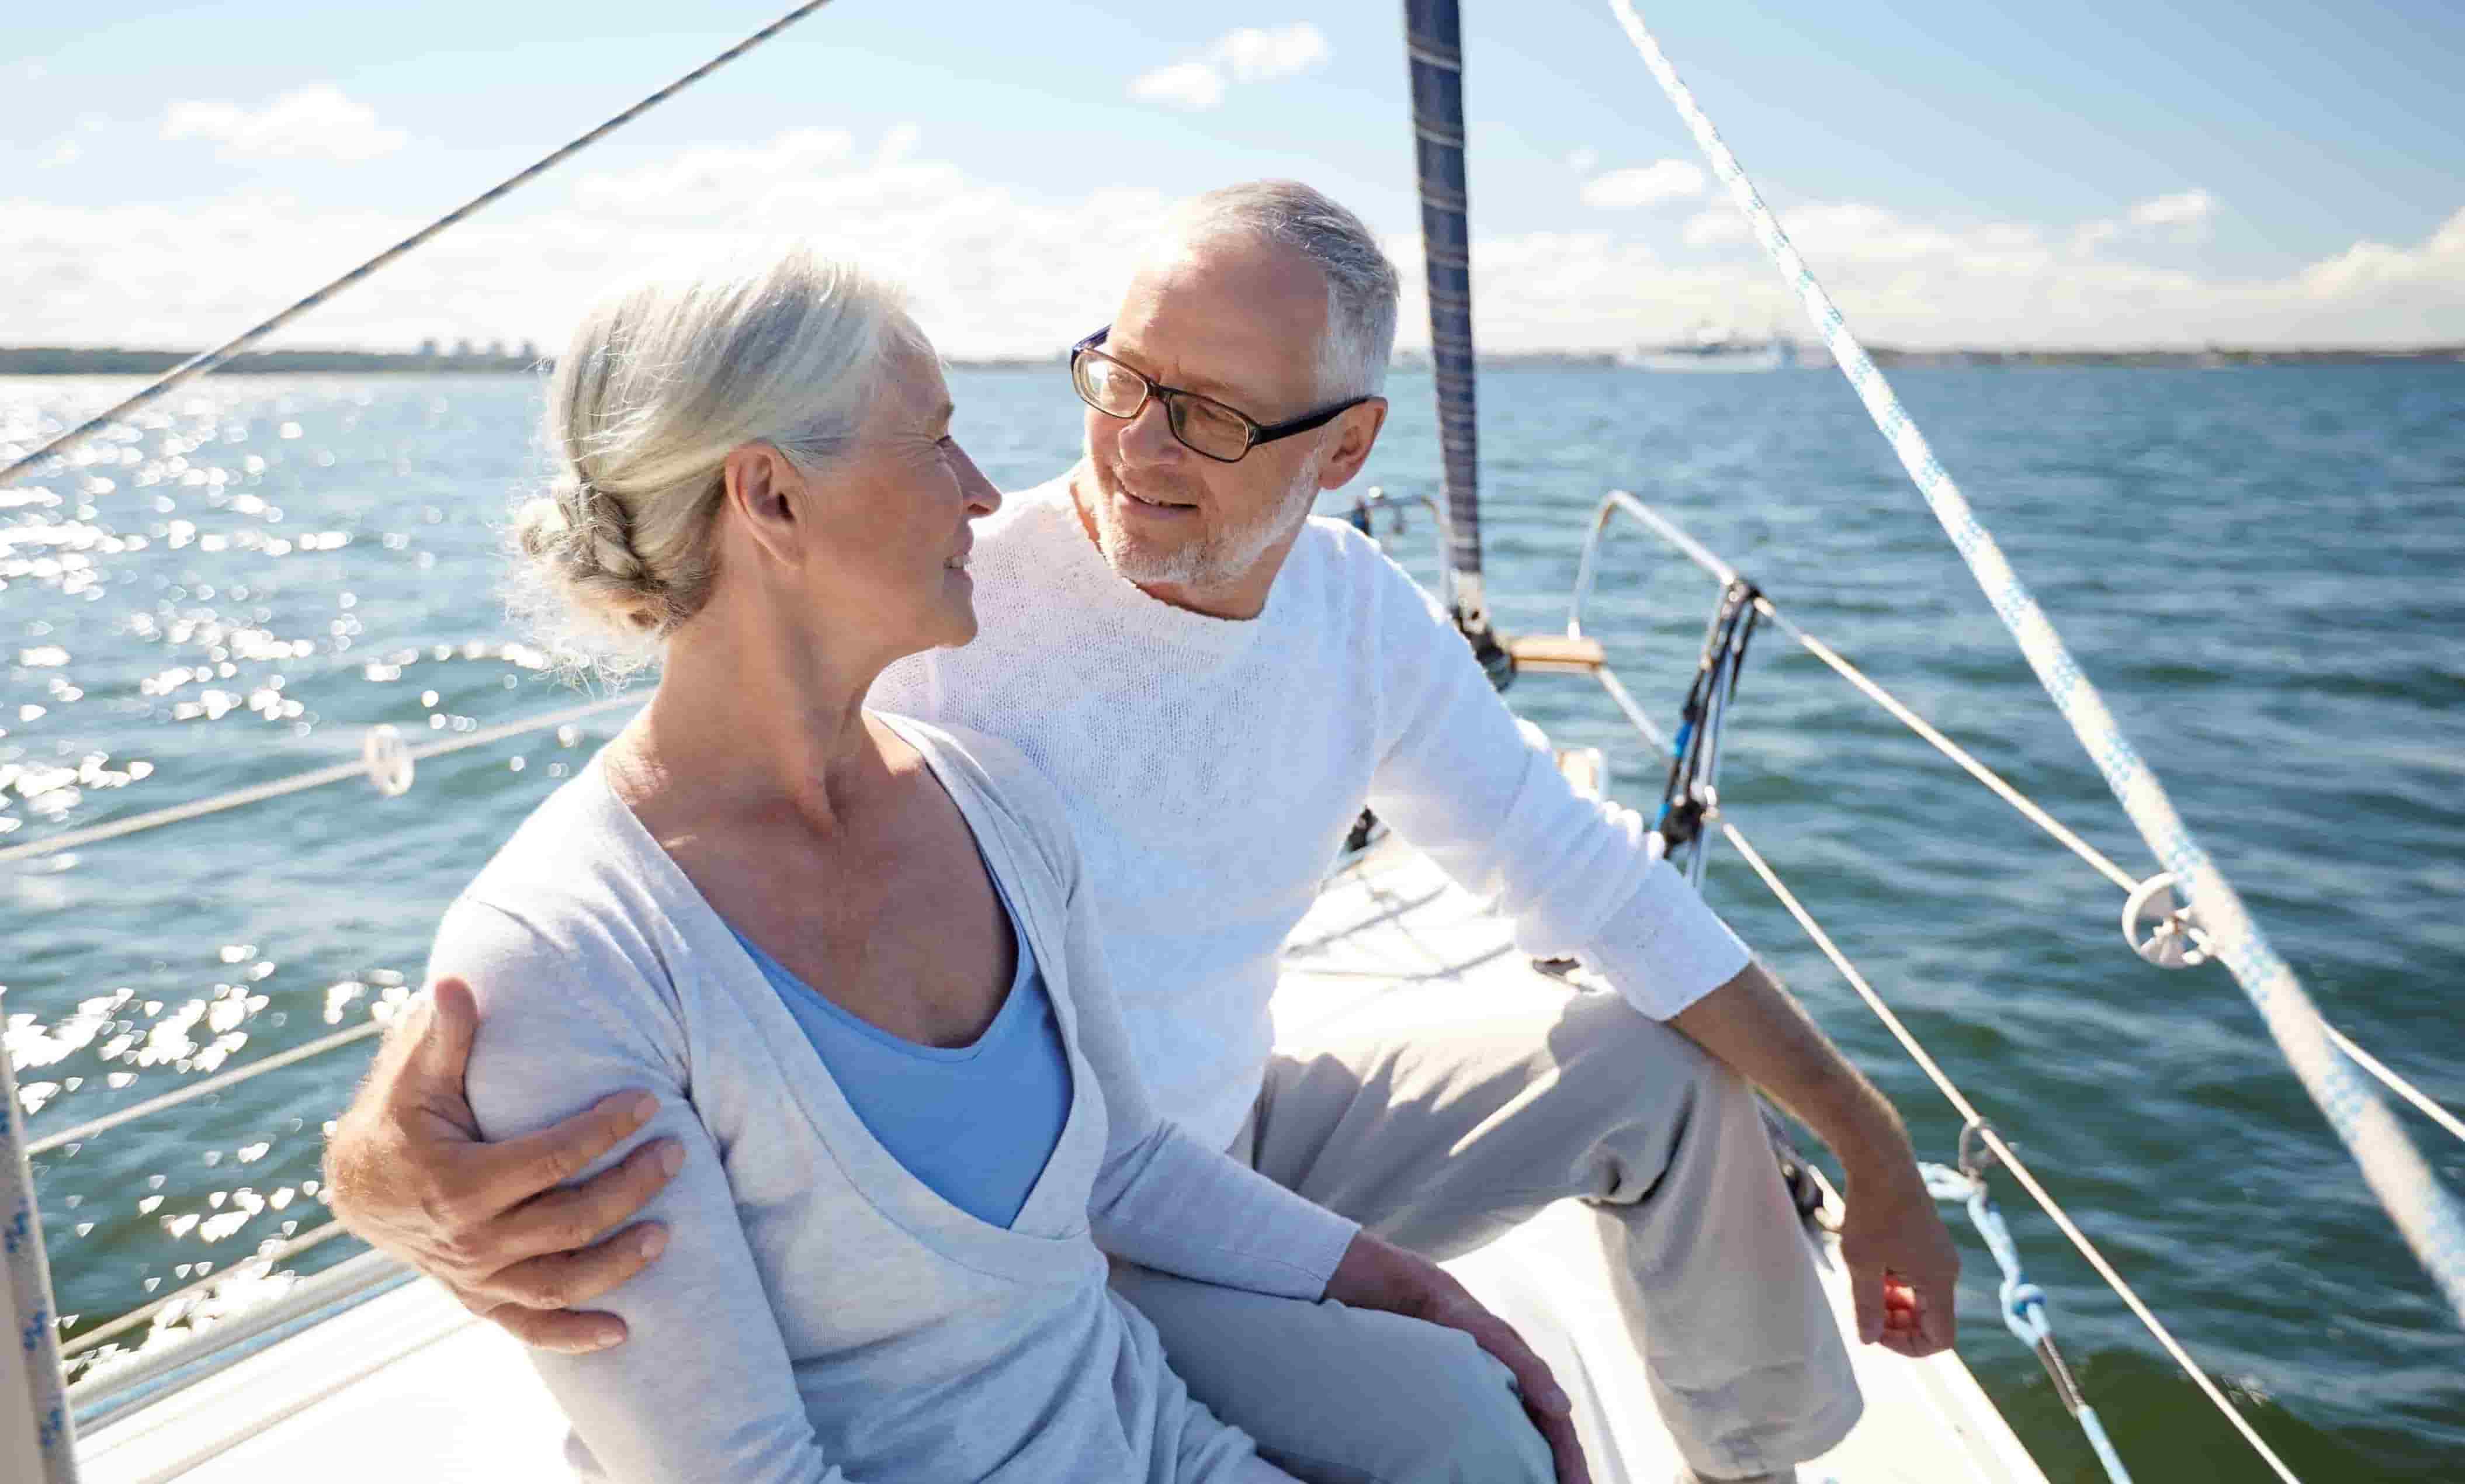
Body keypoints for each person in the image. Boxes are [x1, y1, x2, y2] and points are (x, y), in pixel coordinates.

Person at [331, 182, 1958, 1484]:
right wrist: (378, 1148)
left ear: (1344, 449)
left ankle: (1751, 1461)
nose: (1124, 448)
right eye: (1121, 379)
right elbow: (660, 880)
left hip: (1196, 1146)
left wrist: (1868, 1137)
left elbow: (1592, 881)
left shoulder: (1345, 624)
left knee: (1654, 1074)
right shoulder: (942, 608)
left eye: (1209, 416)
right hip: (1064, 1241)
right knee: (1468, 1423)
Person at [415, 242, 1582, 1483]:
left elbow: (1124, 1166)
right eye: (932, 440)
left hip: (1160, 1446)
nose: (981, 492)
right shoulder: (572, 960)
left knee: (1490, 1440)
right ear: (769, 498)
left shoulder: (991, 803)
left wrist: (1418, 1292)